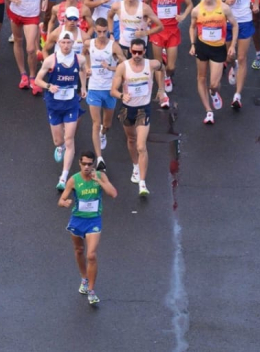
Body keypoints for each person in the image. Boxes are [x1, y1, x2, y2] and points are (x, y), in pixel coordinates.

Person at [57, 150, 117, 307]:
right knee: (79, 250)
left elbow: (113, 194)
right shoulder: (74, 180)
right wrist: (65, 203)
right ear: (79, 163)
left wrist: (100, 181)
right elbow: (61, 200)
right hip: (77, 220)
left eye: (90, 164)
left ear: (94, 165)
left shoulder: (100, 176)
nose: (87, 167)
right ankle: (84, 278)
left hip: (93, 221)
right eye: (84, 164)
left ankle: (91, 290)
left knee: (91, 255)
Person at [111, 37, 168, 198]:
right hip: (127, 109)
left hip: (144, 109)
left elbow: (162, 68)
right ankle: (135, 165)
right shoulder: (123, 67)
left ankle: (142, 183)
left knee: (141, 146)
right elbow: (113, 90)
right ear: (130, 51)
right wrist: (122, 95)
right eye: (134, 52)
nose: (136, 55)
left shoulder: (151, 64)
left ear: (144, 52)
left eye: (139, 52)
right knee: (131, 140)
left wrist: (161, 89)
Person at [36, 30, 87, 188]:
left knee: (69, 139)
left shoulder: (80, 59)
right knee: (59, 141)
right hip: (54, 104)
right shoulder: (51, 60)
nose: (66, 46)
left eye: (69, 43)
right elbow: (38, 80)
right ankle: (61, 147)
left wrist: (83, 87)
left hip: (71, 103)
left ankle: (63, 177)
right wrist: (49, 86)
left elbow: (83, 70)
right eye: (63, 43)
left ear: (73, 44)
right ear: (58, 43)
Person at [214, 0, 260, 106]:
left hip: (245, 21)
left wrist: (255, 3)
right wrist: (225, 1)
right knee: (230, 56)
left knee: (242, 57)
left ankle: (237, 96)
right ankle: (232, 66)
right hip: (228, 21)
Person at [189, 0, 239, 125]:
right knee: (201, 78)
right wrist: (192, 44)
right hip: (202, 46)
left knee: (214, 84)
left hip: (218, 48)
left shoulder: (223, 8)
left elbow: (235, 26)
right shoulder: (197, 10)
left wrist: (232, 46)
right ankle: (208, 111)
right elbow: (192, 27)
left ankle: (213, 93)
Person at [145, 0, 193, 88]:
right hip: (157, 30)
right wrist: (150, 18)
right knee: (158, 63)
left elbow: (190, 4)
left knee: (171, 66)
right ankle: (161, 91)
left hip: (172, 30)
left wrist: (183, 16)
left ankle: (167, 75)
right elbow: (146, 5)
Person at [82, 17, 124, 159]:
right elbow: (83, 56)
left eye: (104, 32)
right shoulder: (88, 43)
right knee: (96, 122)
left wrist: (110, 67)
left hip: (109, 88)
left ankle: (103, 133)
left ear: (107, 30)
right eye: (98, 31)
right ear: (94, 30)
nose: (101, 35)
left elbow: (125, 65)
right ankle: (99, 157)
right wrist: (87, 68)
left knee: (107, 124)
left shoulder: (113, 46)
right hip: (94, 87)